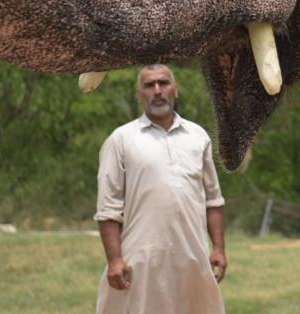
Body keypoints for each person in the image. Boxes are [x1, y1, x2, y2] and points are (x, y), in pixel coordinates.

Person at [94, 64, 228, 314]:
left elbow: (213, 200)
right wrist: (114, 260)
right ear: (139, 94)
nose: (157, 90)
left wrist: (218, 248)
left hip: (192, 255)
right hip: (141, 259)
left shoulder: (198, 137)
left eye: (163, 83)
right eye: (149, 85)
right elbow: (107, 209)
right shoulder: (121, 139)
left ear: (175, 90)